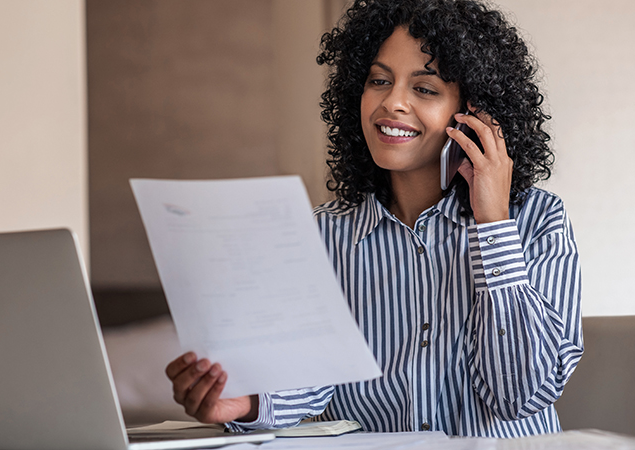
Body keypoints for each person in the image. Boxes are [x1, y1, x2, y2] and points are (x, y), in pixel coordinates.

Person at [164, 0, 583, 438]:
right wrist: (246, 404)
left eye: (424, 88)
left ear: (475, 114)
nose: (392, 102)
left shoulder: (538, 220)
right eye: (379, 81)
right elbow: (310, 379)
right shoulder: (321, 235)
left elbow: (519, 395)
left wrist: (493, 225)